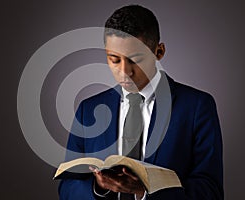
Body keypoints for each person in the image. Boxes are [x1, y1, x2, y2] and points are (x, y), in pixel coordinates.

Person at [58, 5, 223, 200]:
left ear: (159, 52)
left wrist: (144, 191)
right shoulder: (88, 109)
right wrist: (98, 187)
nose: (124, 71)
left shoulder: (197, 107)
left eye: (135, 59)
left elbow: (211, 192)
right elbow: (67, 188)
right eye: (114, 59)